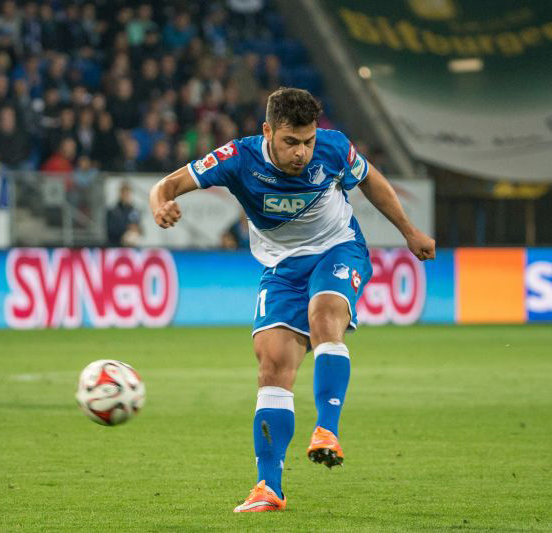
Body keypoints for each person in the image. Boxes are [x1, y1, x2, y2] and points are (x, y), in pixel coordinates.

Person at [149, 87, 435, 512]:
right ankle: (269, 487)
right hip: (282, 267)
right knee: (272, 367)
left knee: (324, 316)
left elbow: (371, 180)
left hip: (338, 248)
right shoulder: (238, 158)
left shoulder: (334, 148)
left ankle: (327, 429)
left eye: (308, 141)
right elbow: (168, 184)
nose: (302, 153)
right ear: (267, 132)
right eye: (290, 142)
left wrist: (409, 231)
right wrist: (160, 204)